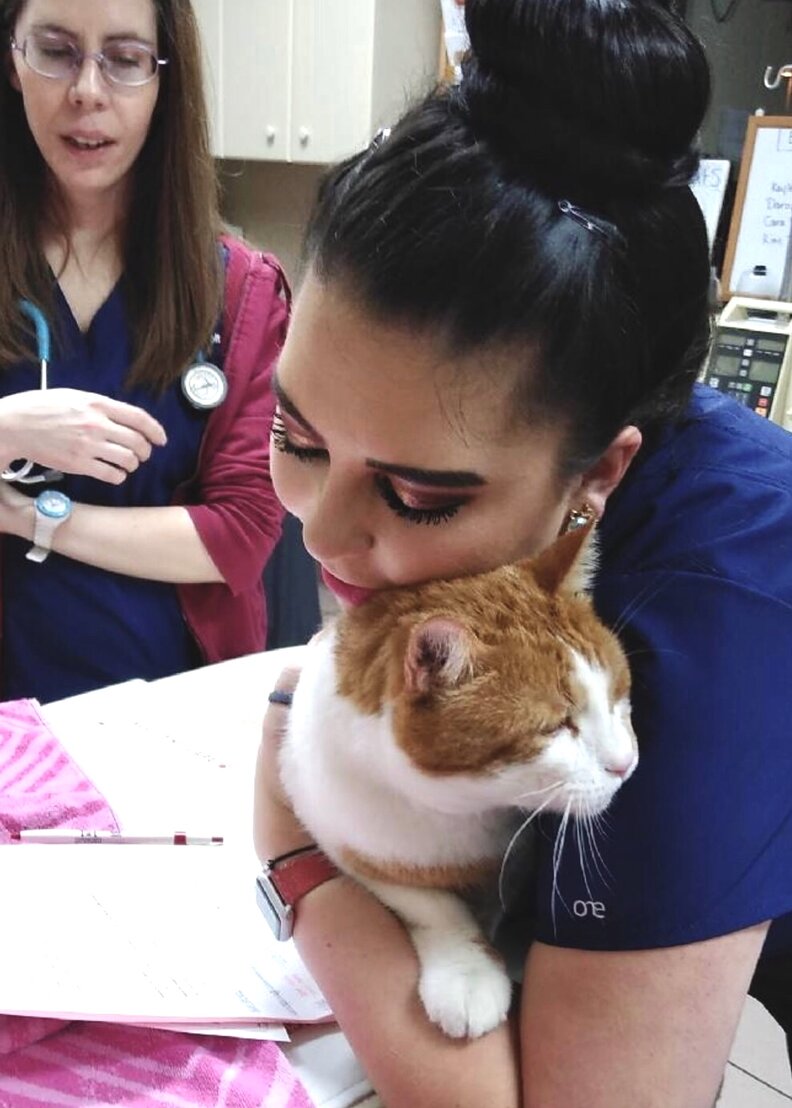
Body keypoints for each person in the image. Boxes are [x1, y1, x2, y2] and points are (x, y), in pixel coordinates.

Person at [252, 0, 792, 1105]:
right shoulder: (499, 521)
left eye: (415, 495)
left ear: (599, 479)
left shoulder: (718, 605)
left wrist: (290, 852)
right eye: (296, 436)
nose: (319, 532)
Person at [0, 0, 287, 703]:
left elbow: (242, 533)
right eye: (56, 51)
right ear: (12, 59)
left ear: (165, 79)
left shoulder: (239, 291)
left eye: (125, 60)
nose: (87, 91)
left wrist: (31, 517)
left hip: (171, 714)